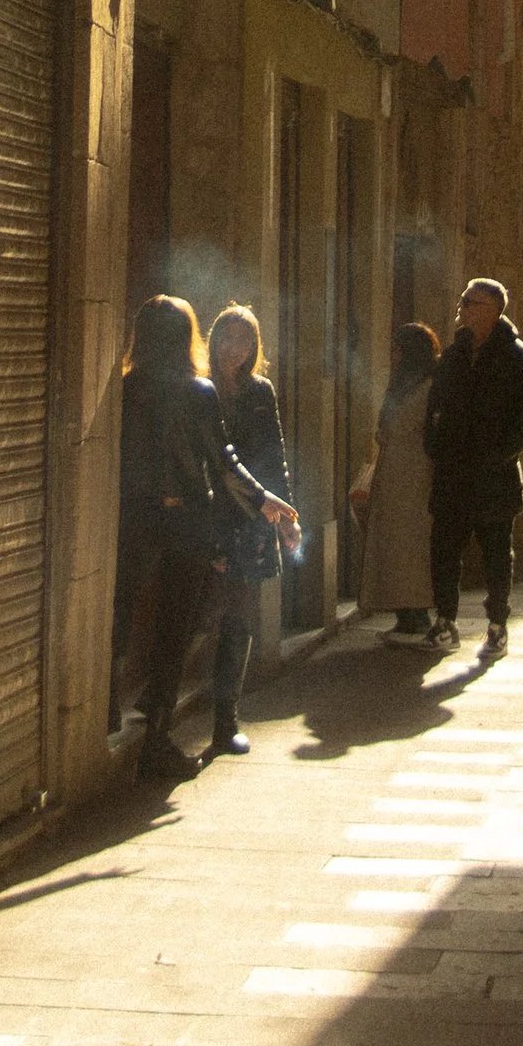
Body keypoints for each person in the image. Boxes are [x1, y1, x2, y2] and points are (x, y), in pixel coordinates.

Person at [116, 295, 298, 775]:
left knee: (123, 615)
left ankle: (107, 717)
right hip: (188, 524)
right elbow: (225, 462)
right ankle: (156, 743)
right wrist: (268, 501)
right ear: (192, 336)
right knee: (174, 630)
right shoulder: (197, 391)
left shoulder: (124, 390)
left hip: (133, 520)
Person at [422, 277, 523, 659]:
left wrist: (500, 455)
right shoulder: (454, 356)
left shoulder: (518, 358)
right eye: (463, 300)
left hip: (495, 476)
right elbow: (435, 406)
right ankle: (446, 621)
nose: (462, 306)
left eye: (470, 302)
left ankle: (497, 627)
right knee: (444, 549)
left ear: (492, 310)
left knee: (495, 554)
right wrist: (435, 445)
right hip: (453, 474)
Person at [204, 305, 294, 754]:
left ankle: (226, 721)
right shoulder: (200, 389)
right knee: (200, 608)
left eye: (243, 341)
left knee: (239, 618)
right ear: (213, 337)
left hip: (251, 518)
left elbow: (273, 453)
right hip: (206, 517)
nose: (233, 349)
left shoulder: (261, 391)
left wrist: (285, 518)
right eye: (227, 337)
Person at [352, 321, 439, 637]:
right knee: (392, 543)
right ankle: (404, 614)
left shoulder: (429, 385)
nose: (393, 354)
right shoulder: (400, 383)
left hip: (415, 475)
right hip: (392, 472)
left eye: (398, 348)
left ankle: (416, 612)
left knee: (411, 545)